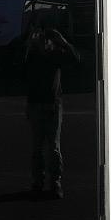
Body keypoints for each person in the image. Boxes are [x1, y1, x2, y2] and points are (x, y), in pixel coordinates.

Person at [23, 23, 79, 199]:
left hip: (51, 105)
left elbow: (76, 58)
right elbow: (22, 66)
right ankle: (40, 182)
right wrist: (31, 43)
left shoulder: (55, 55)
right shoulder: (33, 55)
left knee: (51, 147)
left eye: (46, 39)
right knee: (39, 147)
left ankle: (53, 182)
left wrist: (62, 41)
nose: (44, 42)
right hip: (38, 104)